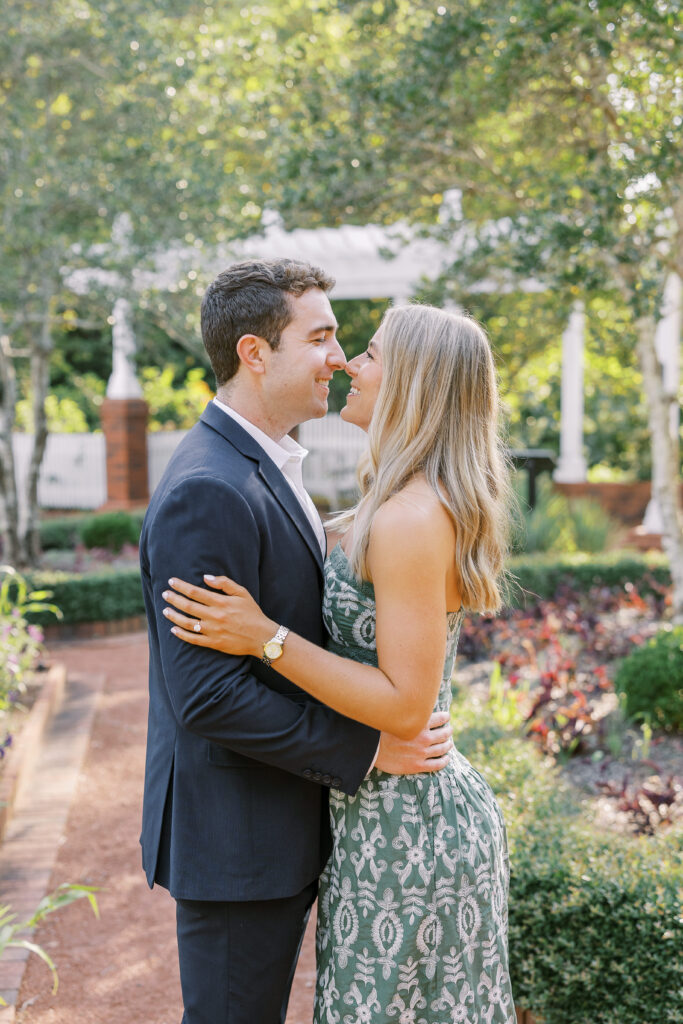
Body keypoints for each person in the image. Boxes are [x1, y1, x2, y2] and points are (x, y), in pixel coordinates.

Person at [163, 302, 516, 1023]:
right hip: (374, 816)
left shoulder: (410, 518)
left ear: (414, 384)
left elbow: (405, 707)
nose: (350, 363)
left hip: (410, 827)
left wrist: (263, 636)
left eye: (372, 355)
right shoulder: (385, 502)